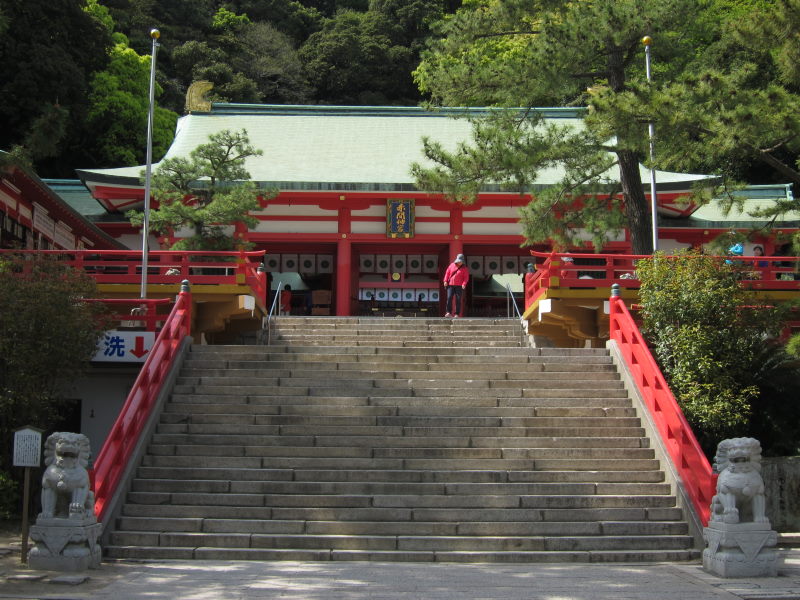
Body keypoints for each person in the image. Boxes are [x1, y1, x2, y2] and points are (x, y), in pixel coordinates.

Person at [443, 253, 469, 318]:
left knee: (458, 299)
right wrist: (445, 281)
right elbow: (447, 273)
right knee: (449, 298)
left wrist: (464, 284)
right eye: (458, 261)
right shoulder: (451, 265)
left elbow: (466, 277)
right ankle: (448, 312)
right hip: (451, 285)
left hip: (459, 286)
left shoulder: (464, 268)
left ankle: (457, 313)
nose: (459, 262)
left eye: (460, 261)